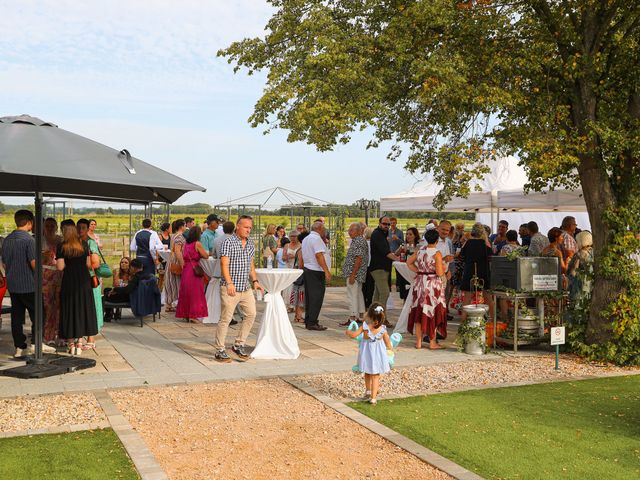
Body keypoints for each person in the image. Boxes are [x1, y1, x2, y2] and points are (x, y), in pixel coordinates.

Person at [3, 210, 55, 357]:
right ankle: (36, 343)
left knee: (17, 317)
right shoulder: (29, 240)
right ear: (29, 223)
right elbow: (34, 264)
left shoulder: (6, 240)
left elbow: (5, 263)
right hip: (29, 285)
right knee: (39, 314)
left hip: (13, 285)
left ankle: (19, 347)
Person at [214, 215, 264, 362]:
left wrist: (255, 280)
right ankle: (220, 350)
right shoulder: (228, 242)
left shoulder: (250, 244)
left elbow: (251, 264)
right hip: (230, 287)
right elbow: (224, 264)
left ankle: (238, 344)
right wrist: (229, 283)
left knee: (251, 314)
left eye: (250, 227)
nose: (248, 230)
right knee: (226, 319)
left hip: (245, 287)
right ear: (238, 226)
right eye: (246, 227)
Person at [56, 222, 98, 356]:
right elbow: (87, 263)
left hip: (69, 280)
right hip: (83, 280)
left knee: (69, 308)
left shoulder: (62, 246)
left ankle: (70, 343)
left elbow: (60, 267)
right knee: (82, 308)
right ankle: (80, 342)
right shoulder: (84, 244)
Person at [406, 229, 447, 349]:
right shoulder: (437, 253)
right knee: (432, 311)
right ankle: (432, 342)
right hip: (432, 284)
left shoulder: (420, 250)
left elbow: (409, 262)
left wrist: (419, 271)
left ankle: (418, 342)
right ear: (437, 240)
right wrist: (444, 269)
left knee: (419, 311)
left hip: (420, 283)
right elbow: (439, 272)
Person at [345, 303, 393, 405]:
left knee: (367, 372)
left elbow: (354, 335)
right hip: (378, 355)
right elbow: (388, 342)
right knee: (375, 375)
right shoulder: (383, 329)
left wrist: (348, 332)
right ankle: (373, 398)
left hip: (367, 354)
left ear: (369, 316)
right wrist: (390, 349)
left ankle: (368, 390)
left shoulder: (365, 327)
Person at [460, 223, 494, 321]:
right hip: (483, 271)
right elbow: (491, 257)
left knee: (467, 297)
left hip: (469, 270)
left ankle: (463, 320)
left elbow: (461, 256)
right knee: (488, 297)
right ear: (482, 232)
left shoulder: (468, 242)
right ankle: (492, 319)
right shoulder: (485, 243)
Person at [301, 220, 331, 330]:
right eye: (323, 229)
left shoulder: (306, 239)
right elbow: (319, 255)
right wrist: (326, 271)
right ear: (318, 229)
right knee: (316, 297)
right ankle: (313, 322)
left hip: (308, 269)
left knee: (309, 297)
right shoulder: (316, 239)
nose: (324, 231)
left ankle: (309, 321)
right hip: (316, 271)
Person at [176, 226, 209, 322]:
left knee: (185, 292)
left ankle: (186, 314)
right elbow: (205, 256)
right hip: (194, 270)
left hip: (186, 269)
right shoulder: (197, 244)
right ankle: (193, 315)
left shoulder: (186, 244)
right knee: (196, 293)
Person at [341, 223, 369, 325]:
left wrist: (353, 274)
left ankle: (353, 317)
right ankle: (361, 316)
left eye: (351, 230)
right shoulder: (358, 240)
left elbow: (358, 258)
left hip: (355, 273)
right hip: (357, 273)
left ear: (358, 231)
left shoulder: (358, 241)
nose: (349, 232)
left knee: (352, 295)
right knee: (358, 294)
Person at [369, 216, 398, 311]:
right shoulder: (377, 234)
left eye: (388, 224)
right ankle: (381, 318)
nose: (386, 226)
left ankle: (372, 316)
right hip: (379, 268)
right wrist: (397, 259)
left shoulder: (382, 234)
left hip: (382, 268)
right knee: (385, 293)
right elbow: (386, 252)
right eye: (384, 224)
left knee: (377, 295)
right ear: (379, 223)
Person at [42, 217, 63, 345]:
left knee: (60, 305)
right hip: (45, 276)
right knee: (48, 306)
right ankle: (48, 335)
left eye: (52, 226)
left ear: (56, 227)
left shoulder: (60, 240)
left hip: (60, 274)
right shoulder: (39, 240)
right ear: (44, 227)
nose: (50, 228)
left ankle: (61, 334)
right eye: (47, 226)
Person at [164, 219, 186, 313]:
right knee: (175, 283)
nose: (185, 227)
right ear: (181, 226)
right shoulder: (180, 237)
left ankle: (168, 305)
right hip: (176, 262)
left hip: (171, 260)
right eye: (185, 225)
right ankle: (172, 305)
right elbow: (178, 251)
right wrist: (182, 263)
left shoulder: (173, 235)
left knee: (170, 282)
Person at [567, 231, 593, 305]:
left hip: (579, 287)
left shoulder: (578, 255)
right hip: (590, 286)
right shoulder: (593, 253)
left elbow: (572, 272)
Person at [394, 227, 419, 302]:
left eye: (410, 234)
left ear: (415, 235)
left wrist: (410, 249)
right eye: (407, 234)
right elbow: (396, 254)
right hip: (405, 272)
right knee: (405, 293)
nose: (408, 236)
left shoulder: (418, 246)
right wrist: (401, 247)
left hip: (414, 271)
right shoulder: (404, 245)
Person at [104, 257, 131, 322]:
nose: (123, 264)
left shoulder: (131, 274)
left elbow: (127, 287)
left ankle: (108, 314)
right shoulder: (118, 272)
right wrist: (116, 275)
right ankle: (111, 312)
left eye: (126, 262)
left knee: (105, 297)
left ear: (129, 265)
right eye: (122, 262)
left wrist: (117, 288)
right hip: (118, 291)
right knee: (106, 289)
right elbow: (115, 285)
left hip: (126, 294)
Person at [290, 230, 308, 323]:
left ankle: (297, 316)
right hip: (301, 276)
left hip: (297, 276)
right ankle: (299, 316)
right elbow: (301, 264)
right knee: (301, 297)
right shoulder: (302, 250)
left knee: (297, 296)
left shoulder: (299, 249)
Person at [362, 226, 375, 309]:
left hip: (364, 266)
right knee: (371, 286)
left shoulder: (363, 243)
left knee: (364, 286)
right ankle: (369, 302)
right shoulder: (374, 244)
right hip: (372, 266)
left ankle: (363, 302)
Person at [156, 222, 171, 293]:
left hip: (167, 258)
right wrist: (157, 259)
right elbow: (157, 249)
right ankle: (159, 291)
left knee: (167, 276)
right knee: (161, 276)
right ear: (166, 229)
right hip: (161, 258)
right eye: (170, 228)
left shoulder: (170, 236)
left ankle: (165, 292)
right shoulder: (160, 237)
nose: (171, 229)